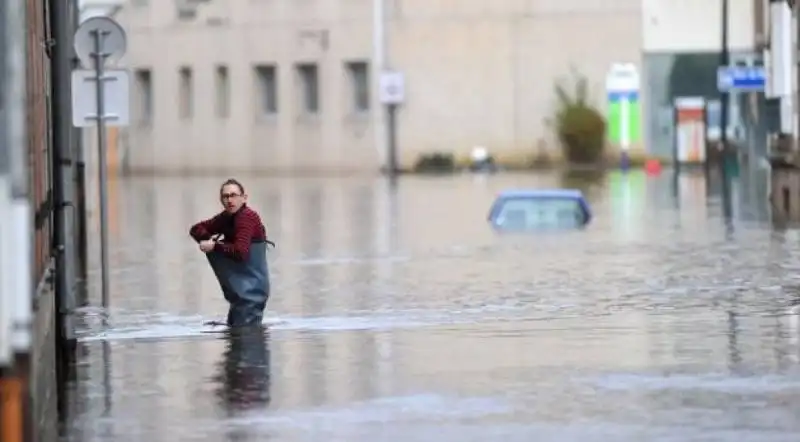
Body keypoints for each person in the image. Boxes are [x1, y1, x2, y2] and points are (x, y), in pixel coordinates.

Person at [189, 178, 272, 327]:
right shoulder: (227, 218)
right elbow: (196, 229)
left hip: (252, 293)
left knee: (245, 336)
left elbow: (241, 252)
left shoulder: (247, 217)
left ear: (244, 198)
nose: (229, 200)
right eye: (225, 196)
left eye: (233, 195)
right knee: (235, 329)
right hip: (240, 294)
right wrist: (207, 239)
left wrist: (215, 246)